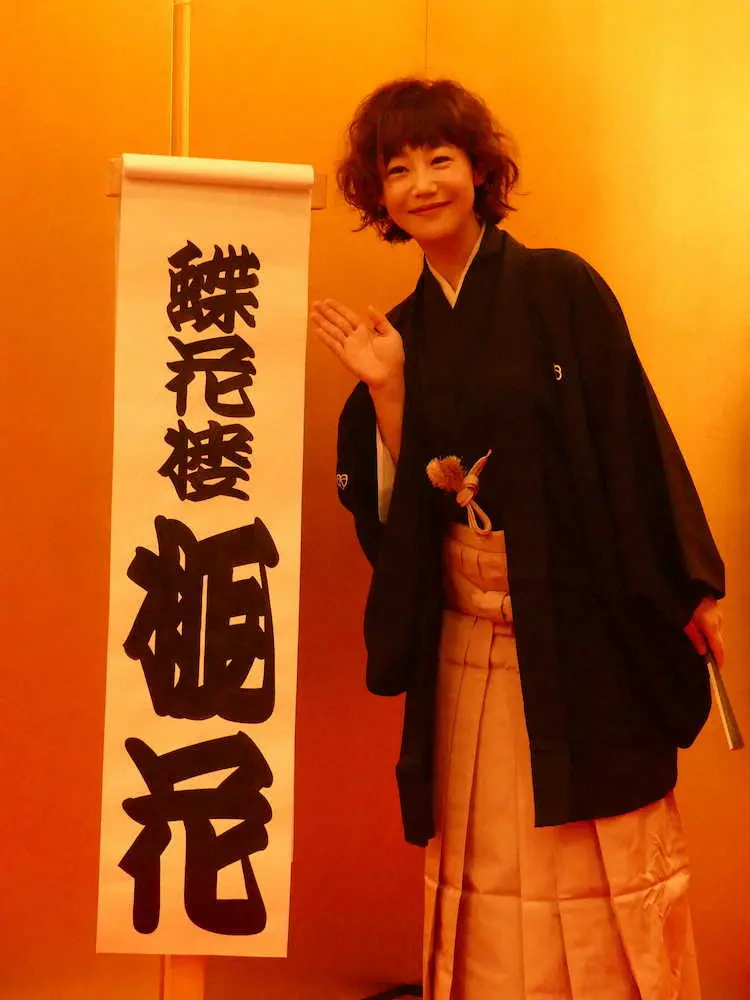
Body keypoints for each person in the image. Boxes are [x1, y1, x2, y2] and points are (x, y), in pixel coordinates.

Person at [311, 77, 725, 1000]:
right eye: (397, 169)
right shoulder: (401, 334)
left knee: (594, 852)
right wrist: (388, 391)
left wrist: (690, 586)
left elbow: (631, 438)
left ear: (480, 172)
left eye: (440, 159)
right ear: (378, 196)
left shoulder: (559, 288)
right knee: (487, 852)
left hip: (581, 635)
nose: (422, 183)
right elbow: (408, 513)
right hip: (471, 640)